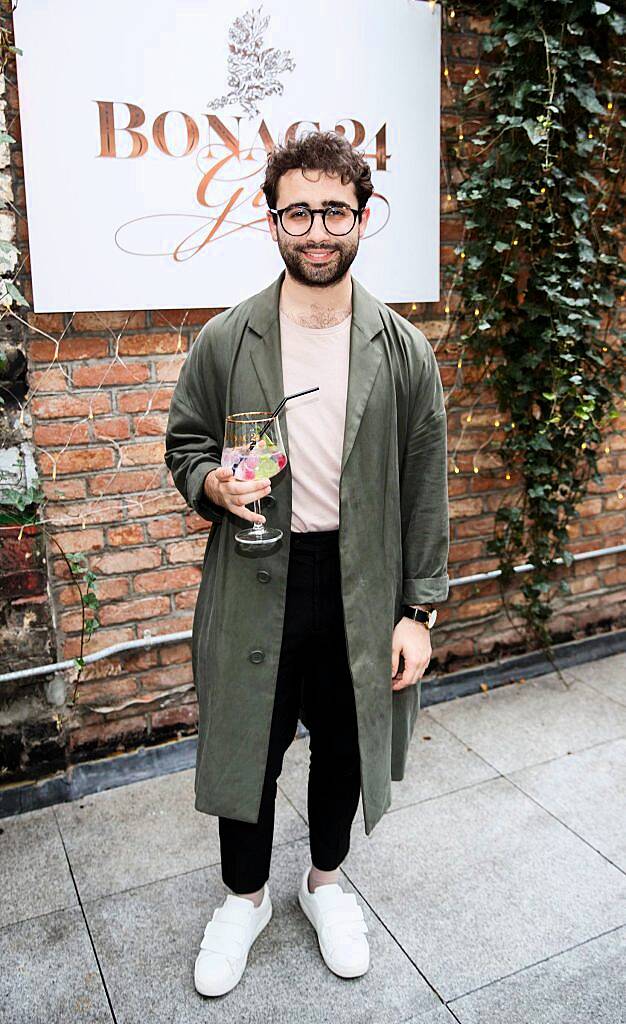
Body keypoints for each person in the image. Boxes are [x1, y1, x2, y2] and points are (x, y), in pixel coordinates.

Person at [164, 130, 450, 997]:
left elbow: (425, 487)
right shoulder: (228, 338)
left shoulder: (403, 351)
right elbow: (183, 445)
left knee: (347, 747)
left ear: (362, 218)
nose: (316, 230)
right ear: (273, 219)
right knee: (248, 744)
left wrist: (420, 611)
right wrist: (209, 480)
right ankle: (243, 901)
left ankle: (324, 882)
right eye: (299, 212)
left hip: (360, 586)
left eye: (334, 211)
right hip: (255, 574)